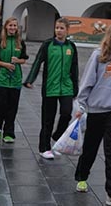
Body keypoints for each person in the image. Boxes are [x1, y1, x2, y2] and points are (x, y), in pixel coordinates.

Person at [74, 24, 111, 206]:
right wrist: (81, 105)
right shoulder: (98, 55)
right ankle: (82, 177)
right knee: (90, 148)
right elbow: (87, 81)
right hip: (96, 109)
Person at [24, 17, 79, 160]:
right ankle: (44, 148)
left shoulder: (71, 47)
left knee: (66, 113)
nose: (58, 31)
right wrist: (30, 79)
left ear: (67, 30)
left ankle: (57, 136)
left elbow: (74, 68)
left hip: (66, 87)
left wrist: (75, 88)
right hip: (50, 87)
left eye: (61, 28)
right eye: (57, 28)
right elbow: (38, 62)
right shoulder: (47, 44)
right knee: (47, 119)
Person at [0, 17, 28, 143]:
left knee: (12, 108)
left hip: (15, 80)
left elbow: (24, 59)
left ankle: (9, 133)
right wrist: (5, 65)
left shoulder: (21, 42)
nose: (13, 28)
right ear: (6, 27)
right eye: (10, 25)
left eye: (15, 26)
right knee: (0, 106)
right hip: (2, 79)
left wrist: (18, 61)